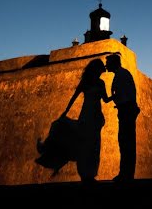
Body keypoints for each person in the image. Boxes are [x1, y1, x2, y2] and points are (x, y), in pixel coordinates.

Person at [60, 58, 110, 182]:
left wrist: (116, 96)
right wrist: (65, 112)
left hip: (96, 116)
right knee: (85, 144)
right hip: (86, 115)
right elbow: (74, 97)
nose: (101, 71)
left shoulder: (100, 83)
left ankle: (91, 173)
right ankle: (84, 173)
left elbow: (105, 99)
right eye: (100, 69)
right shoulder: (86, 82)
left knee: (94, 145)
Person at [105, 53, 140, 181]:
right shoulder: (121, 74)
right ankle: (126, 173)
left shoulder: (121, 75)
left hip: (127, 110)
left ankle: (126, 174)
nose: (106, 65)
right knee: (125, 142)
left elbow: (125, 94)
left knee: (126, 142)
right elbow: (120, 93)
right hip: (125, 109)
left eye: (107, 63)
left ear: (113, 63)